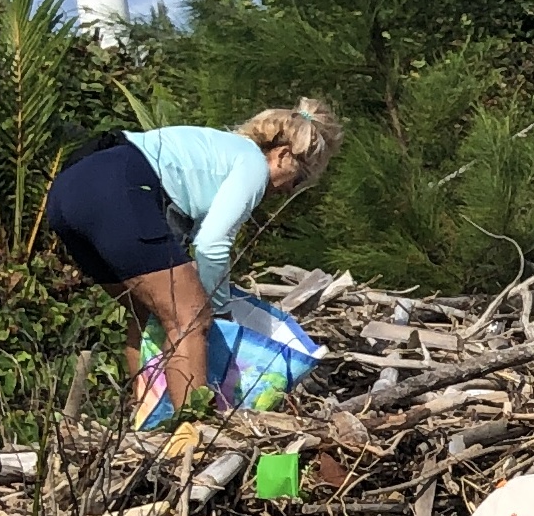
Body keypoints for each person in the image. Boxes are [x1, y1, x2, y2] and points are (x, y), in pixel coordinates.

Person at [42, 102, 341, 414]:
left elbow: (186, 248)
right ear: (283, 155)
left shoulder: (214, 152)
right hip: (117, 188)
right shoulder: (252, 163)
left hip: (69, 192)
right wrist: (220, 315)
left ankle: (147, 415)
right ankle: (188, 430)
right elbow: (212, 245)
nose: (288, 192)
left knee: (147, 314)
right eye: (298, 180)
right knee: (191, 317)